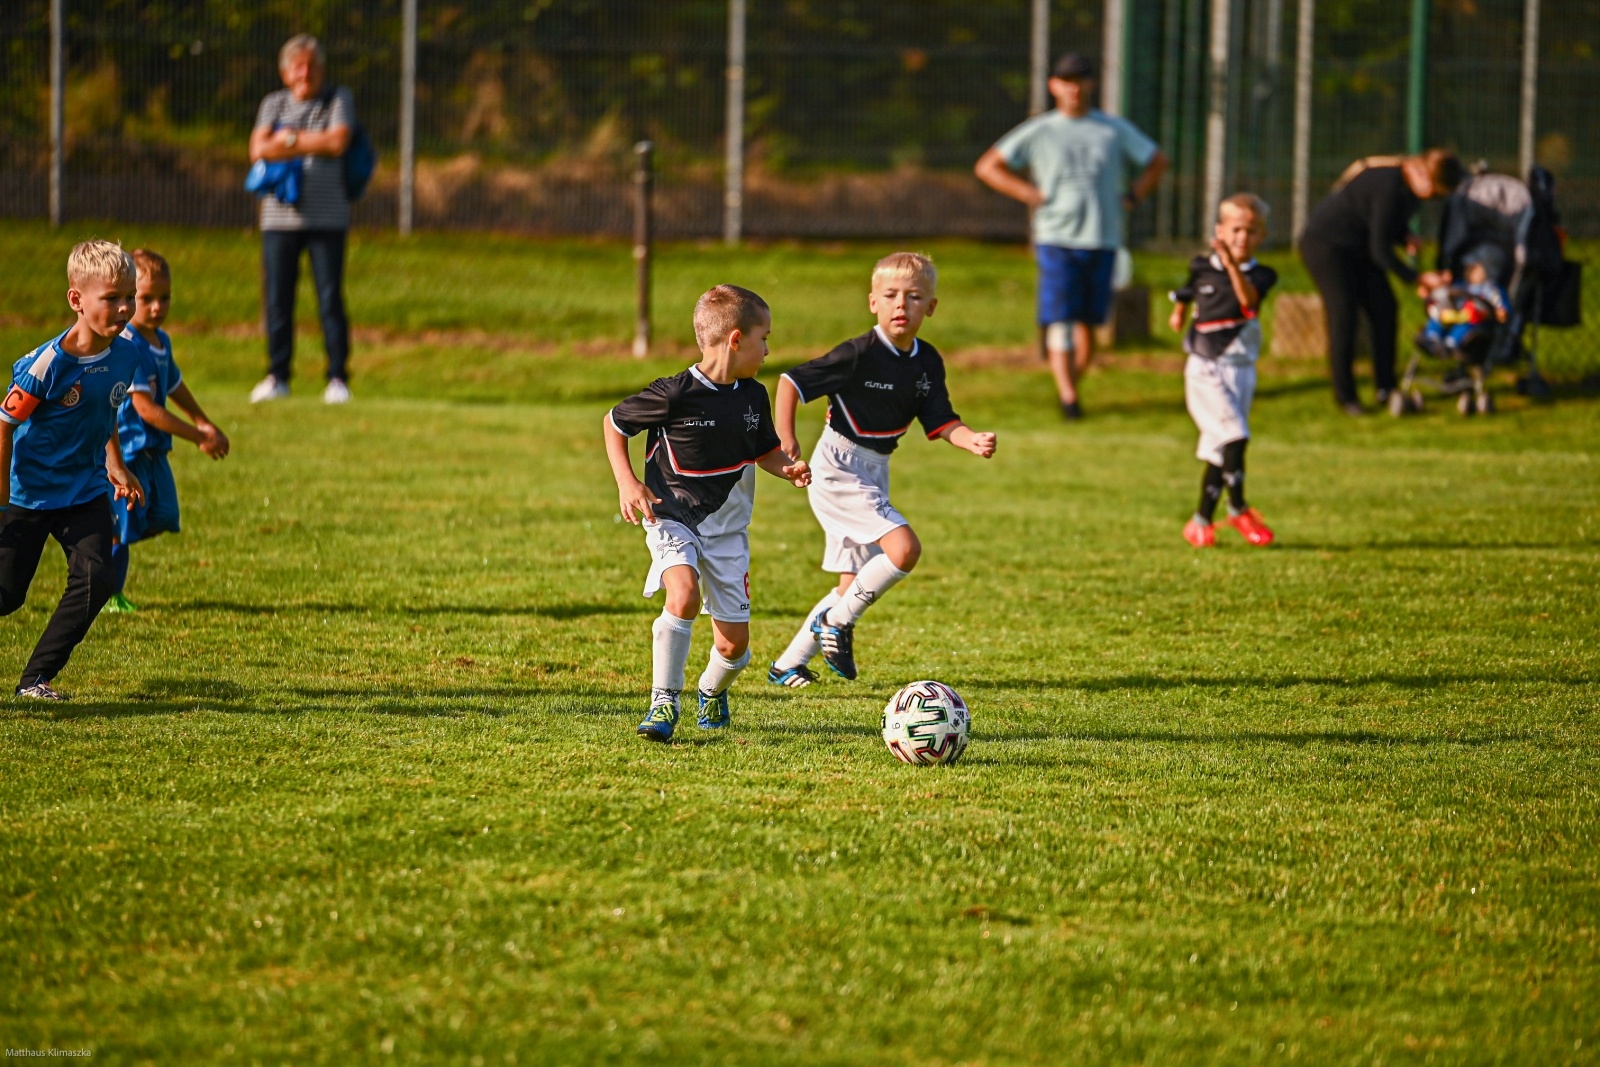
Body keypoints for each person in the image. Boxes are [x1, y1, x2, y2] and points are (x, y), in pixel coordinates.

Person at [767, 252, 997, 687]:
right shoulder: (859, 353)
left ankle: (788, 664)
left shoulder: (927, 361)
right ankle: (836, 623)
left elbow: (942, 420)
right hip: (837, 467)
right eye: (890, 295)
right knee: (904, 549)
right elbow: (791, 382)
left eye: (913, 297)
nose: (901, 305)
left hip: (876, 469)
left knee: (850, 582)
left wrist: (972, 440)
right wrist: (785, 438)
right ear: (872, 301)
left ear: (930, 307)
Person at [603, 285, 812, 742]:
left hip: (728, 533)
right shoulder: (674, 394)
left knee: (734, 647)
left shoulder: (753, 396)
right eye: (764, 338)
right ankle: (664, 702)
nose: (768, 349)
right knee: (682, 595)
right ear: (736, 340)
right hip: (671, 516)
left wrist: (789, 469)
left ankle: (711, 690)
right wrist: (627, 482)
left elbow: (766, 452)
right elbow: (615, 423)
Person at [974, 53, 1167, 420]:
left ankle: (1071, 388)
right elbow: (988, 166)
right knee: (1060, 318)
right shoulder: (1040, 129)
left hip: (1102, 237)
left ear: (1091, 85)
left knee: (1090, 323)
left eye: (1080, 80)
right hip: (1056, 237)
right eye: (1066, 80)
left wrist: (1134, 194)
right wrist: (1028, 194)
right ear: (1053, 86)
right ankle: (1068, 399)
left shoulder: (1111, 129)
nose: (1073, 88)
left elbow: (1156, 160)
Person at [0, 241, 147, 700]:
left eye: (130, 296)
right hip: (27, 495)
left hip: (83, 489)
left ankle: (35, 681)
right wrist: (1, 501)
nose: (125, 308)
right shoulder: (46, 366)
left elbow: (107, 408)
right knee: (7, 596)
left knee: (98, 577)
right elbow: (3, 428)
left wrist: (116, 464)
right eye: (112, 298)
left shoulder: (127, 352)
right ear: (77, 300)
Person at [104, 249, 231, 614]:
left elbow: (174, 384)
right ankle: (109, 594)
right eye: (146, 298)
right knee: (122, 527)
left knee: (163, 515)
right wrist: (199, 436)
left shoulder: (161, 340)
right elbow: (145, 409)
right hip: (127, 449)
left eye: (165, 297)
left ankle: (102, 544)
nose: (157, 306)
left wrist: (204, 419)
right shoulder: (128, 344)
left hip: (154, 450)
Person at [1298, 149, 1463, 414]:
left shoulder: (1407, 190)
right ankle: (1346, 397)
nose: (1432, 198)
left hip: (1359, 248)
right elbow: (1380, 250)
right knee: (1344, 317)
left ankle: (1386, 388)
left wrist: (1405, 236)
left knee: (1385, 309)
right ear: (1421, 173)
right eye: (1433, 192)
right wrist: (1418, 278)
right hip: (1327, 247)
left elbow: (1380, 224)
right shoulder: (1388, 185)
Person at [249, 34, 355, 405]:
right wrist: (311, 139)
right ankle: (278, 374)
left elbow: (338, 142)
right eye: (298, 65)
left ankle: (338, 377)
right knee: (278, 299)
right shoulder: (273, 103)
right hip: (278, 220)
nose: (305, 72)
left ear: (321, 69)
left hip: (328, 218)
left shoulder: (338, 99)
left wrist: (289, 139)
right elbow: (258, 149)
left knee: (329, 299)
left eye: (311, 65)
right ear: (285, 72)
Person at [1168, 194, 1279, 549]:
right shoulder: (1202, 266)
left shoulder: (1262, 274)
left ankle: (1200, 522)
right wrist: (1179, 312)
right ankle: (1237, 507)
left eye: (1251, 231)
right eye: (1235, 229)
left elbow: (1247, 302)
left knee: (1221, 449)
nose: (1242, 237)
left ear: (1262, 235)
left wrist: (1232, 265)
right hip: (1205, 368)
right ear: (1219, 231)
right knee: (1235, 436)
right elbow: (1189, 290)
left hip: (1241, 369)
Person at [1417, 250, 1509, 359]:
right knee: (1436, 318)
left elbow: (1497, 300)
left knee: (1462, 327)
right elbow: (1445, 294)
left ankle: (1449, 344)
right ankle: (1432, 338)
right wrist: (1430, 293)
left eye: (1475, 270)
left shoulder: (1488, 288)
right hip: (1453, 313)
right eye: (1468, 269)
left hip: (1472, 318)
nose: (1470, 272)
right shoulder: (1460, 284)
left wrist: (1500, 309)